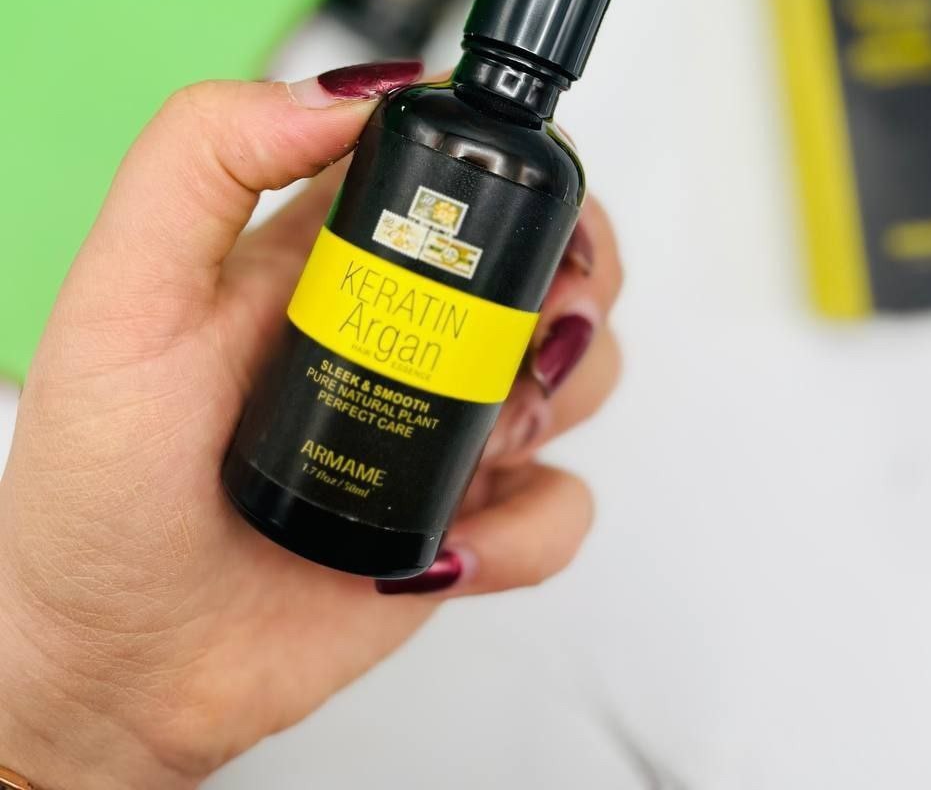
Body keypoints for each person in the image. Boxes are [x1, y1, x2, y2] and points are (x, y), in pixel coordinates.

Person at [0, 61, 623, 789]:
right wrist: (58, 692)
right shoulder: (417, 122)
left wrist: (72, 721)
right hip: (263, 478)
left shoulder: (514, 160)